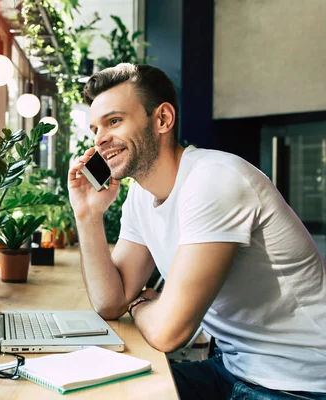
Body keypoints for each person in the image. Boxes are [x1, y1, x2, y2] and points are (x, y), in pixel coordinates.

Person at [68, 63, 326, 400]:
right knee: (104, 392)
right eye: (95, 128)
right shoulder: (140, 197)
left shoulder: (213, 180)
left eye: (114, 121)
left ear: (162, 119)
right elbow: (111, 301)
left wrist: (140, 307)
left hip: (298, 384)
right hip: (234, 368)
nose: (100, 138)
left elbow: (168, 333)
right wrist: (87, 215)